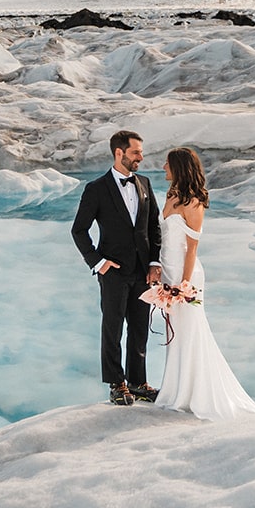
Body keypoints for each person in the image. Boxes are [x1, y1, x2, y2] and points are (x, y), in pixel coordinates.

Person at [154, 146, 255, 420]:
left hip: (185, 274)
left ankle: (195, 394)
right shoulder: (171, 194)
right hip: (167, 270)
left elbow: (192, 249)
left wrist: (184, 284)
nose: (163, 169)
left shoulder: (194, 203)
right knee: (174, 333)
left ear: (178, 167)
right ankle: (176, 390)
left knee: (190, 330)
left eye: (167, 165)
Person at [71, 129, 162, 406]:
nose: (141, 157)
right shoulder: (96, 189)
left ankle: (137, 383)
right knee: (112, 328)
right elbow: (79, 230)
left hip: (142, 271)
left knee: (139, 328)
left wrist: (155, 262)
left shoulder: (144, 183)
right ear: (119, 153)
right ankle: (116, 384)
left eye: (141, 152)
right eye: (136, 152)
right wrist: (98, 262)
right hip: (113, 272)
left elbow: (153, 226)